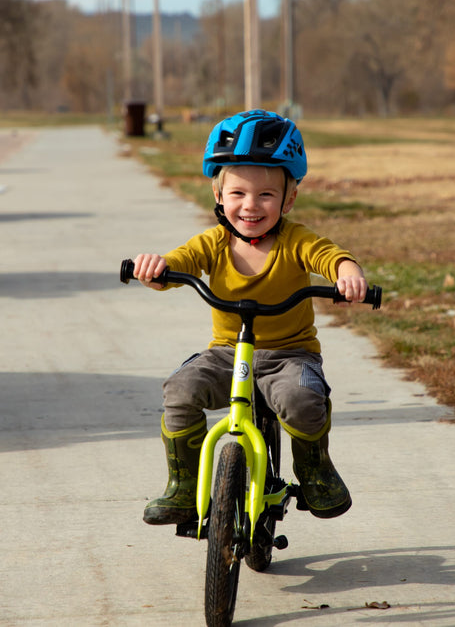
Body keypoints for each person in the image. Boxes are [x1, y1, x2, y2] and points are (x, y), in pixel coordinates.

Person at [133, 109, 368, 526]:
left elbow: (329, 257)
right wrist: (157, 269)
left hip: (289, 356)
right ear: (219, 196)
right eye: (238, 193)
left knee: (301, 401)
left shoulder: (296, 241)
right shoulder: (214, 242)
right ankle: (184, 485)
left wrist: (348, 275)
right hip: (227, 354)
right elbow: (182, 261)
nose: (251, 206)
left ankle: (314, 468)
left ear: (288, 199)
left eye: (266, 195)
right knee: (180, 389)